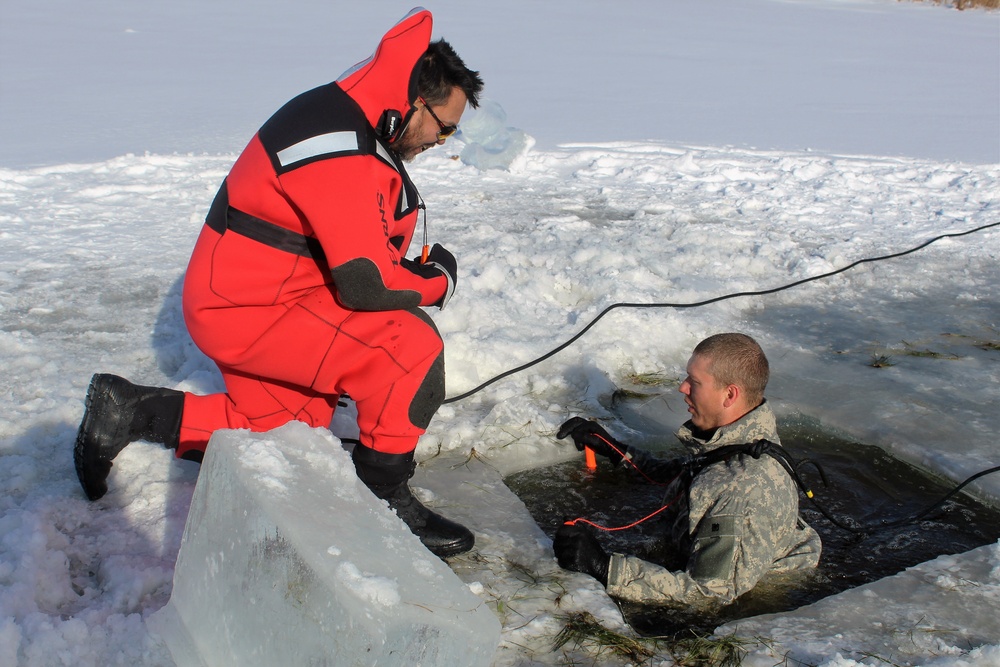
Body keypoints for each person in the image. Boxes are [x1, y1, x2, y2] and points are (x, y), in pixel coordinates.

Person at [73, 8, 484, 559]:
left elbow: (358, 246)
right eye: (445, 124)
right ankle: (384, 500)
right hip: (251, 309)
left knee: (284, 435)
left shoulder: (350, 122)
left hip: (260, 299)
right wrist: (437, 282)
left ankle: (127, 410)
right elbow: (366, 285)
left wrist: (407, 268)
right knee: (409, 346)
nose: (445, 138)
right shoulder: (337, 141)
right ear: (415, 100)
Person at [554, 333, 821, 605]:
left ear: (730, 394)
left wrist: (604, 568)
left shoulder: (741, 490)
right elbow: (686, 475)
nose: (682, 388)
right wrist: (615, 449)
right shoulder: (737, 437)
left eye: (694, 382)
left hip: (749, 597)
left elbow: (708, 595)